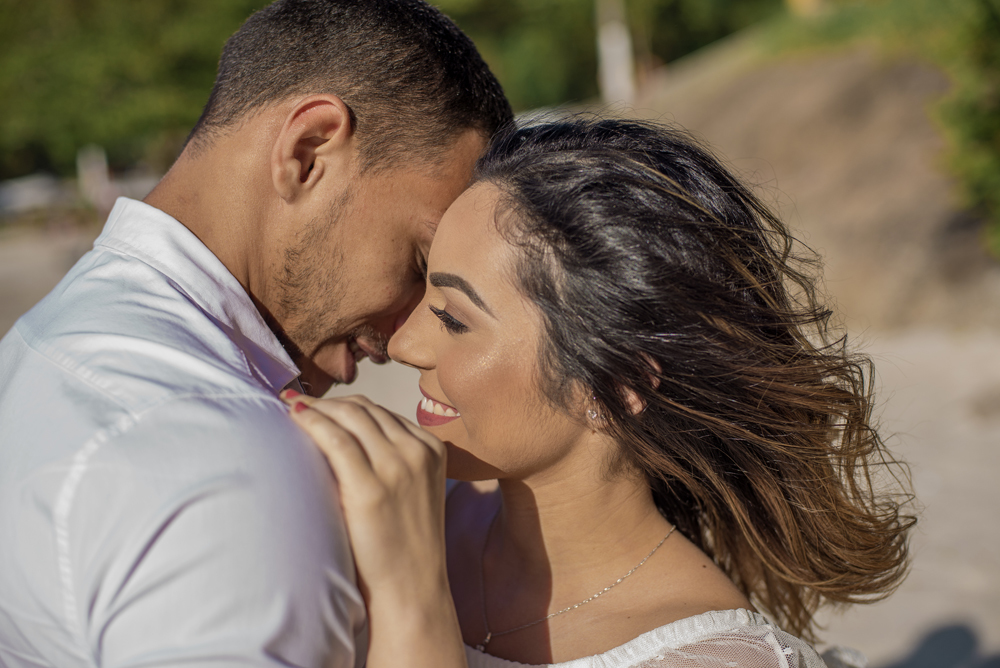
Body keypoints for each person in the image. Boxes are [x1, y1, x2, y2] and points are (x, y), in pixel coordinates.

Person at [284, 118, 915, 668]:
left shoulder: (710, 660)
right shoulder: (407, 508)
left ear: (617, 386)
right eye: (425, 291)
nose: (404, 344)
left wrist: (411, 598)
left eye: (454, 318)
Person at [0, 1, 511, 665]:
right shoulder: (228, 469)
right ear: (308, 151)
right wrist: (414, 610)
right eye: (419, 263)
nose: (410, 336)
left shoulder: (34, 348)